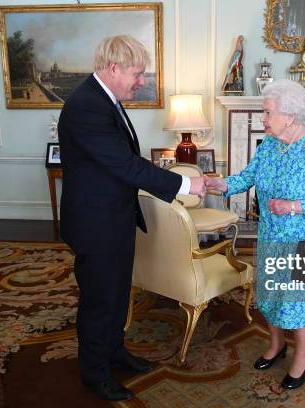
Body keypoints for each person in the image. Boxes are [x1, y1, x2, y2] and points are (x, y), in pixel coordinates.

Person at [57, 35, 206, 402]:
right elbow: (125, 165)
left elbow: (122, 163)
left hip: (113, 218)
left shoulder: (106, 100)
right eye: (137, 73)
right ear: (113, 68)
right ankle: (94, 372)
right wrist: (187, 182)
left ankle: (114, 352)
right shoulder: (87, 106)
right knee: (99, 299)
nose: (141, 81)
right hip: (96, 224)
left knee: (117, 292)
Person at [206, 79, 305, 390]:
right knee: (270, 294)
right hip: (270, 234)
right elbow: (248, 176)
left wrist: (294, 205)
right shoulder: (269, 143)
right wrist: (221, 184)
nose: (263, 118)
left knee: (297, 300)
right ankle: (276, 345)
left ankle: (303, 357)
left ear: (290, 116)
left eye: (267, 112)